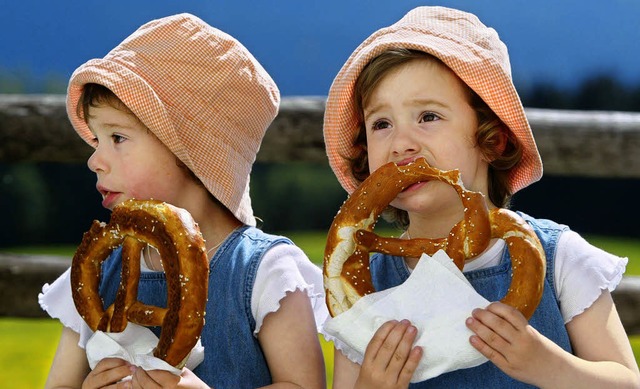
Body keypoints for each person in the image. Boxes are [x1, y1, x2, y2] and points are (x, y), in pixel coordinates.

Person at [322, 6, 640, 388]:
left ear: (492, 140)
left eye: (428, 117)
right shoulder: (359, 290)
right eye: (381, 124)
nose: (401, 144)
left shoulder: (559, 260)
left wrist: (550, 366)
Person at [39, 13, 328, 388]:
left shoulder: (263, 274)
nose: (95, 160)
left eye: (118, 138)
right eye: (97, 139)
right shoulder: (96, 276)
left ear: (191, 150)